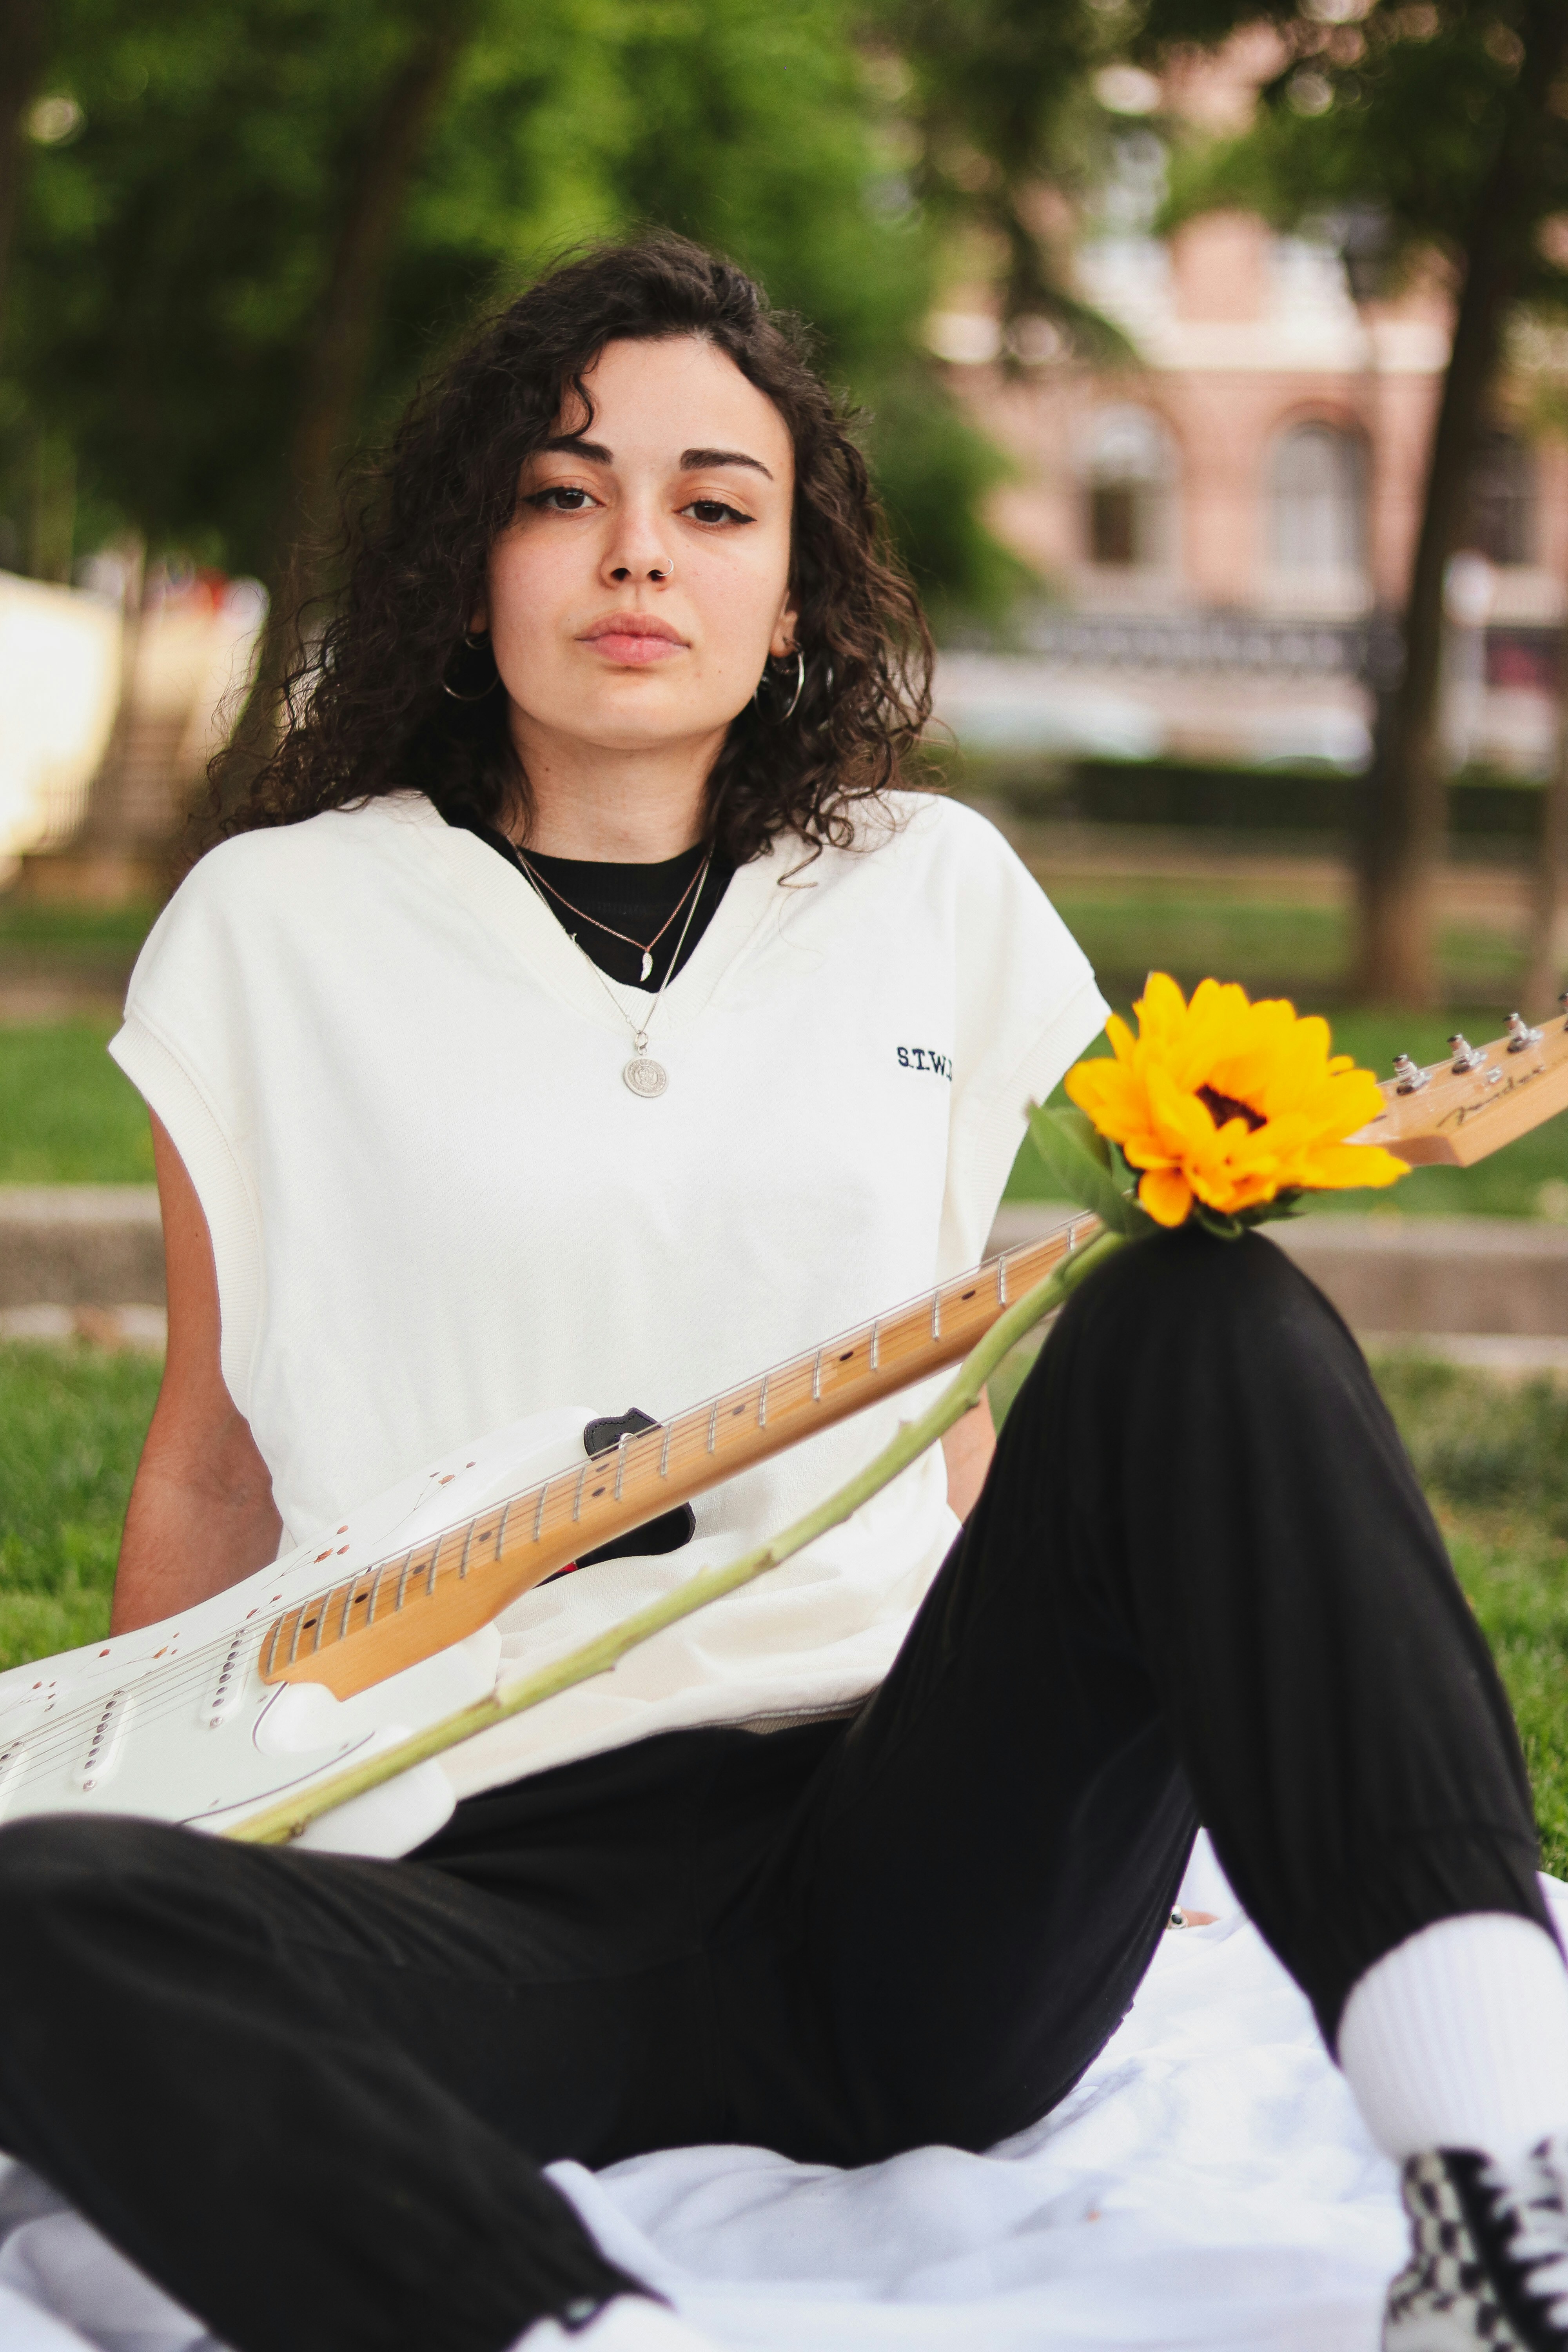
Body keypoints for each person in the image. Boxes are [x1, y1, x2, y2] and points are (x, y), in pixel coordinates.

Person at [0, 235, 1566, 2352]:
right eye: (563, 493)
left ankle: (1504, 2197)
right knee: (37, 1906)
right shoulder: (271, 929)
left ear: (795, 589)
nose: (638, 550)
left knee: (1202, 1311)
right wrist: (161, 1790)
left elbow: (978, 1409)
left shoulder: (928, 889)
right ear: (470, 555)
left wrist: (1095, 1767)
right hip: (464, 1890)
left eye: (715, 505)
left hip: (898, 1862)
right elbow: (210, 1451)